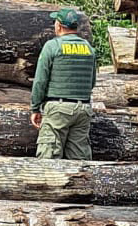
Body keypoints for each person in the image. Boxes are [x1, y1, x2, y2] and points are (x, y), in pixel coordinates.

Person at [30, 8, 98, 160]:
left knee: (49, 159)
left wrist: (35, 107)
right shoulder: (88, 48)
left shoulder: (52, 46)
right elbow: (92, 82)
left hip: (57, 109)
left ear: (59, 26)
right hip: (84, 109)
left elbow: (40, 80)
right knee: (79, 161)